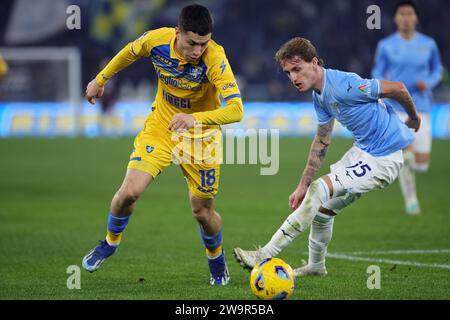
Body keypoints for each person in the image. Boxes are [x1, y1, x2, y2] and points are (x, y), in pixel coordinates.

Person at [82, 4, 244, 286]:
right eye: (192, 43)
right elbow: (128, 53)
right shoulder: (156, 40)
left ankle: (216, 259)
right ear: (177, 33)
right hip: (162, 127)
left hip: (201, 137)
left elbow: (236, 110)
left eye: (203, 44)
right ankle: (110, 242)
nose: (197, 51)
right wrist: (100, 79)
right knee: (128, 193)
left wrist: (196, 119)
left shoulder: (215, 58)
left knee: (202, 212)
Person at [234, 37, 419, 277]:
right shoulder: (319, 96)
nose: (293, 77)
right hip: (362, 152)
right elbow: (322, 140)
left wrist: (413, 116)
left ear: (314, 63)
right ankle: (316, 266)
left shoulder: (345, 85)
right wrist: (301, 185)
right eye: (288, 72)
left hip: (383, 158)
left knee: (319, 189)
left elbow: (398, 88)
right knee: (323, 210)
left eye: (297, 69)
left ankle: (264, 254)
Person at [372, 1, 442, 215]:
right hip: (397, 106)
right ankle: (411, 200)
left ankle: (402, 168)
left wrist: (428, 82)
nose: (405, 17)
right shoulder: (386, 45)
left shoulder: (428, 44)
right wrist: (386, 87)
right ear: (395, 19)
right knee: (407, 152)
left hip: (421, 105)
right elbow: (377, 72)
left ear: (416, 18)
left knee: (421, 164)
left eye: (409, 13)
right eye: (401, 14)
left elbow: (438, 69)